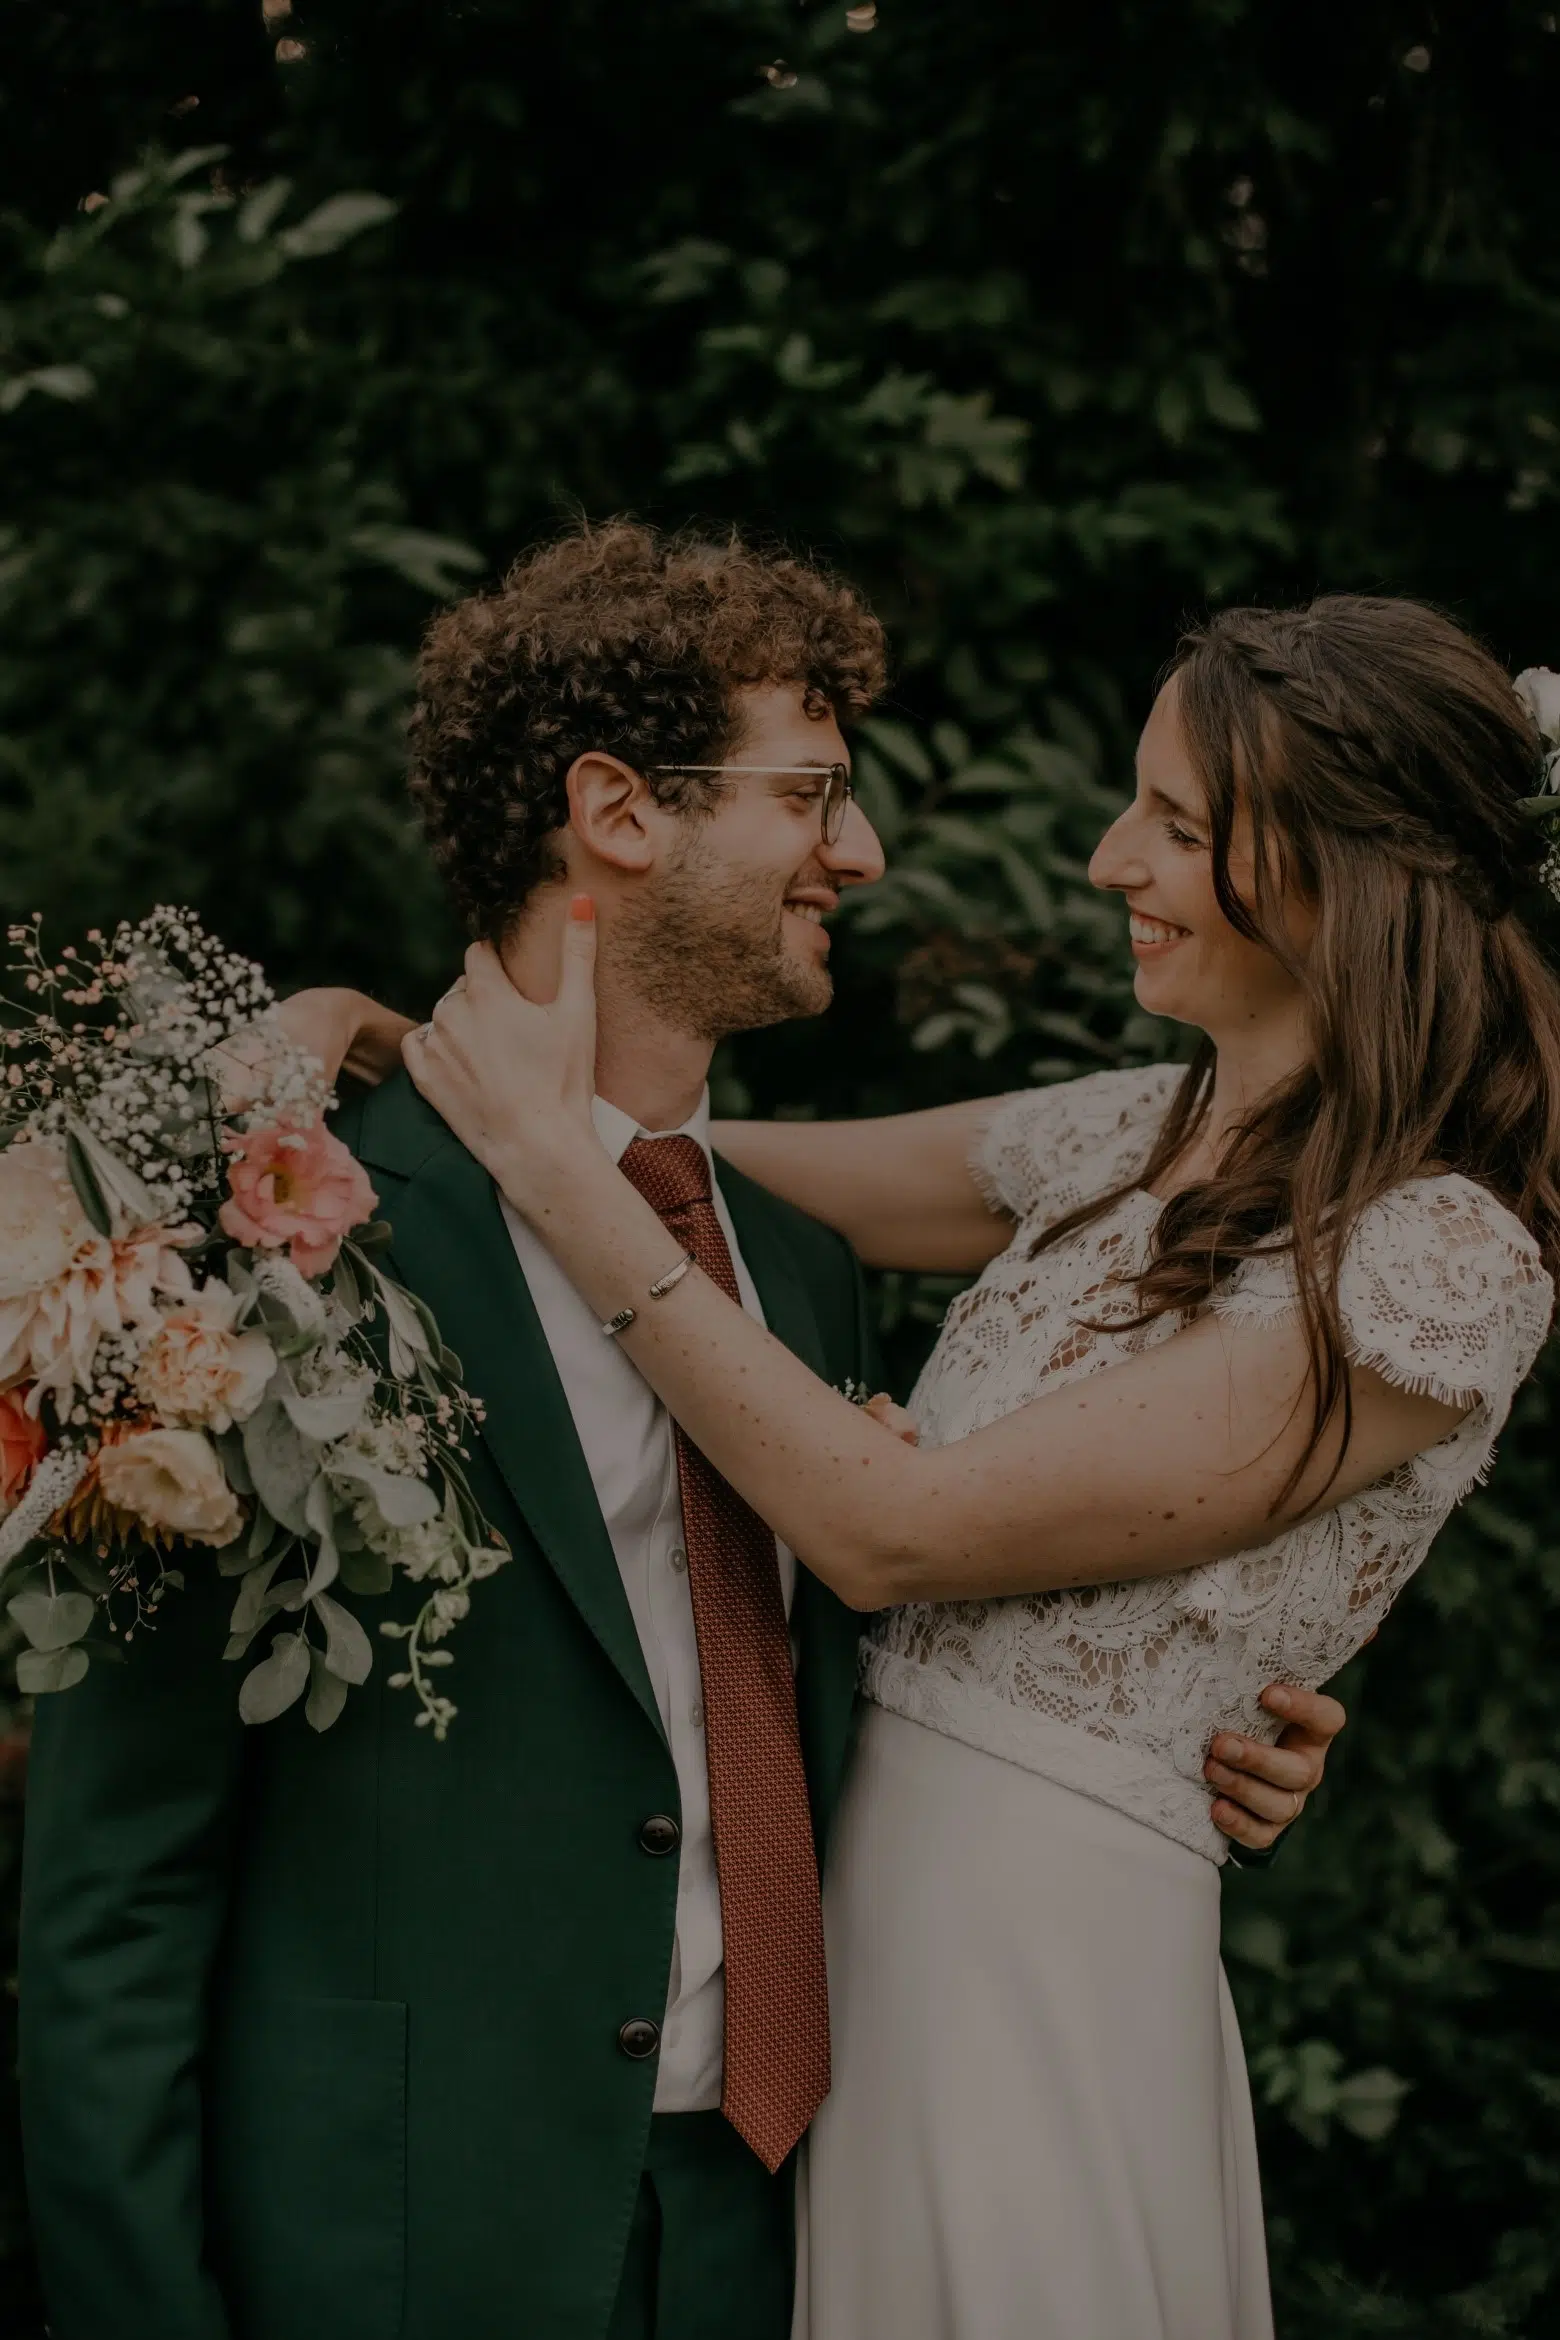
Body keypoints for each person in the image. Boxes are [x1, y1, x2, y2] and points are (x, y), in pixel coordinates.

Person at [16, 522, 1326, 2340]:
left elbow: (879, 1639)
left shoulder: (792, 1270)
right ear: (620, 813)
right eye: (813, 797)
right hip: (390, 2246)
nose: (859, 854)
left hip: (772, 2228)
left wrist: (1197, 1702)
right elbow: (111, 1895)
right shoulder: (260, 1259)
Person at [395, 592, 1559, 2340]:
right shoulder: (1119, 1135)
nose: (1110, 863)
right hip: (852, 1938)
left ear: (1345, 871)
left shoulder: (1439, 1260)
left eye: (1173, 825)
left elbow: (891, 1531)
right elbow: (691, 1164)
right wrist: (387, 1053)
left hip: (1032, 1962)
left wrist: (546, 1164)